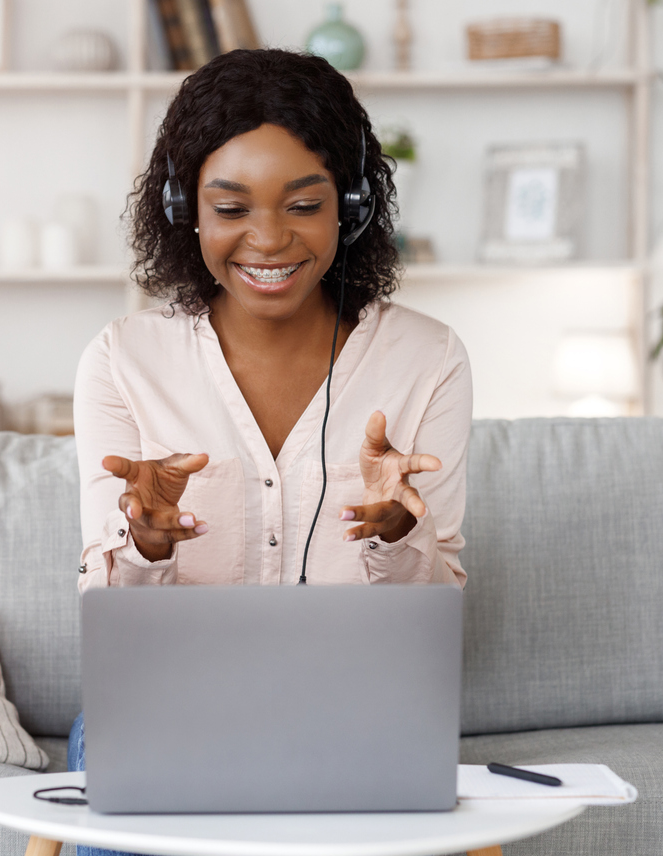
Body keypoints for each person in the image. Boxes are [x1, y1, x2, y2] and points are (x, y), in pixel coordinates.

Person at [68, 48, 471, 848]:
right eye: (231, 208)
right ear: (187, 209)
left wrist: (397, 532)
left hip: (360, 706)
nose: (267, 239)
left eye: (302, 204)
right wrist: (145, 539)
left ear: (349, 206)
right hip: (165, 701)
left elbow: (439, 612)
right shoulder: (121, 361)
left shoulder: (428, 358)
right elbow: (107, 618)